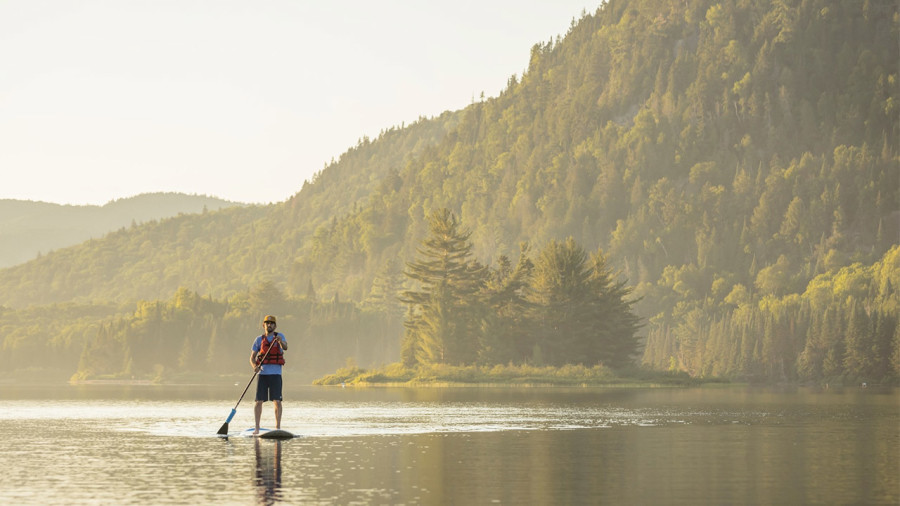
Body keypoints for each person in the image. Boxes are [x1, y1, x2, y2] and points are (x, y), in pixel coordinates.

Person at [250, 315, 288, 435]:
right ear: (263, 325)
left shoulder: (280, 336)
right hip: (262, 373)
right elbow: (252, 357)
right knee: (259, 401)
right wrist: (254, 367)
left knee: (277, 400)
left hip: (276, 374)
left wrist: (280, 341)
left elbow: (285, 347)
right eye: (267, 323)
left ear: (275, 326)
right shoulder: (259, 339)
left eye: (272, 323)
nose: (269, 325)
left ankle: (277, 427)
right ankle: (257, 428)